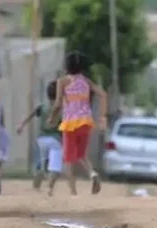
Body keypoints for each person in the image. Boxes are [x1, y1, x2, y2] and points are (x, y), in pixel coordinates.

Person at [49, 52, 108, 196]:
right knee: (81, 155)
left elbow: (57, 103)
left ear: (66, 66)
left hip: (69, 123)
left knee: (69, 158)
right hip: (86, 122)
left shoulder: (62, 81)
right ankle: (92, 174)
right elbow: (103, 94)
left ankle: (73, 192)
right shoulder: (86, 81)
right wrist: (102, 116)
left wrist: (52, 117)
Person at [17, 82, 64, 195]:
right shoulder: (61, 109)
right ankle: (50, 187)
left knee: (42, 164)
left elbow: (31, 114)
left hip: (42, 139)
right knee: (55, 166)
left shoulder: (42, 107)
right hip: (55, 140)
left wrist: (21, 125)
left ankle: (36, 186)